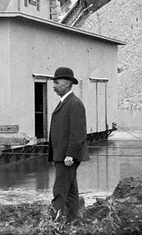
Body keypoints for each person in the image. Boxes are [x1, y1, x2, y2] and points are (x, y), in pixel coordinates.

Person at [48, 66, 89, 223]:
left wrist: (70, 154)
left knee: (59, 191)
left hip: (68, 156)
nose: (54, 86)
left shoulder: (74, 104)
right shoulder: (65, 103)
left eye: (56, 82)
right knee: (71, 191)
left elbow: (78, 133)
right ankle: (75, 220)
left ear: (66, 84)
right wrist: (56, 155)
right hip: (62, 155)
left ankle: (52, 222)